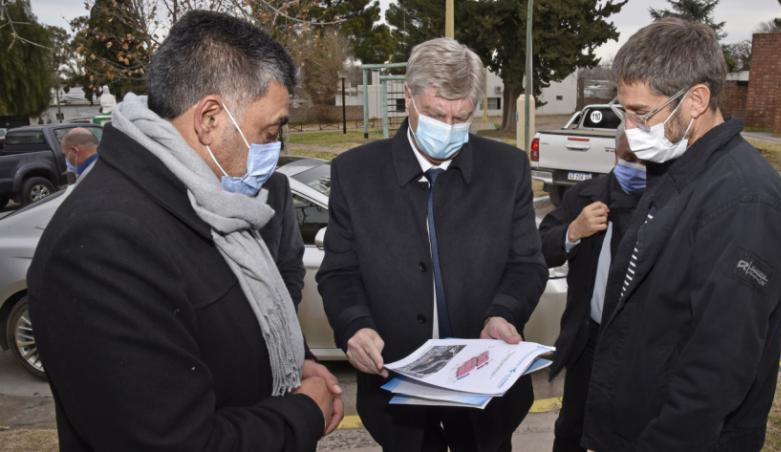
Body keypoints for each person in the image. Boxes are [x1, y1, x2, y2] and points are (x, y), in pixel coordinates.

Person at [27, 11, 342, 452]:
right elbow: (174, 439)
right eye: (269, 132)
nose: (274, 150)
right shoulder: (105, 245)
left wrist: (293, 364)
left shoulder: (208, 202)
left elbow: (235, 329)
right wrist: (303, 413)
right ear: (210, 119)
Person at [580, 18, 781, 451]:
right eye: (625, 110)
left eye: (642, 113)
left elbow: (717, 367)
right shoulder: (677, 173)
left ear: (696, 100)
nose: (628, 127)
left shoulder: (746, 202)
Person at [316, 37, 548, 452]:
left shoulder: (506, 169)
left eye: (463, 117)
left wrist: (504, 313)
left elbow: (527, 263)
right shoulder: (355, 174)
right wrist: (355, 325)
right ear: (408, 97)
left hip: (485, 399)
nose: (450, 126)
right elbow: (339, 272)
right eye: (437, 114)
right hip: (396, 398)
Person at [538, 125, 645, 452]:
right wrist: (573, 231)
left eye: (644, 160)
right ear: (615, 153)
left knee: (630, 429)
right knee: (573, 427)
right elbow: (540, 247)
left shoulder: (668, 205)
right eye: (630, 158)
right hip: (589, 339)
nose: (637, 167)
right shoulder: (585, 197)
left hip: (640, 345)